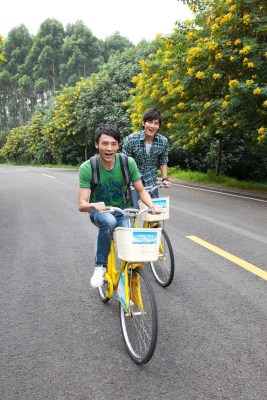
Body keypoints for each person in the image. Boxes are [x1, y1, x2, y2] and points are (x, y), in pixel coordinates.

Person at [78, 123, 159, 288]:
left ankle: (126, 290)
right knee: (109, 222)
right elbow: (82, 204)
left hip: (124, 210)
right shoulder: (88, 168)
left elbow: (141, 190)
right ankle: (100, 266)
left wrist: (152, 206)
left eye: (113, 144)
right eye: (105, 143)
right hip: (100, 212)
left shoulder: (127, 163)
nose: (109, 148)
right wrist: (94, 205)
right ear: (96, 144)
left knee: (131, 250)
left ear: (118, 145)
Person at [122, 107, 171, 208]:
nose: (153, 126)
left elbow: (163, 160)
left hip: (151, 182)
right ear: (143, 123)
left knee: (156, 213)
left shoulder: (163, 141)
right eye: (150, 122)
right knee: (132, 212)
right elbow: (124, 162)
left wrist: (165, 178)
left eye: (156, 123)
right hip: (133, 183)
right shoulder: (131, 139)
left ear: (159, 126)